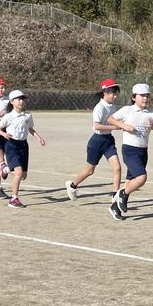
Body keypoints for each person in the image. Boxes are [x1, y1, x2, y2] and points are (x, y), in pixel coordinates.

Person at [65, 79, 123, 220]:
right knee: (89, 171)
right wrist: (116, 127)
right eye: (112, 93)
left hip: (108, 141)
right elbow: (97, 126)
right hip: (97, 141)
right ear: (105, 92)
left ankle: (115, 197)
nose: (115, 96)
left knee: (117, 168)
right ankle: (72, 185)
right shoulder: (99, 107)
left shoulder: (113, 107)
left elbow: (116, 121)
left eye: (115, 93)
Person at [107, 83, 153, 217]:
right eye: (142, 95)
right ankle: (122, 194)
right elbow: (110, 119)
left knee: (130, 182)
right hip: (130, 150)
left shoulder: (152, 113)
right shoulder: (127, 110)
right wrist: (124, 126)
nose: (145, 98)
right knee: (141, 178)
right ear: (134, 97)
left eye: (147, 96)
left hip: (143, 151)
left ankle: (115, 207)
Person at [0, 90, 46, 208]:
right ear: (12, 102)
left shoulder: (28, 115)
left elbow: (31, 129)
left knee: (23, 176)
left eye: (23, 99)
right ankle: (14, 199)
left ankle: (5, 169)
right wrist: (4, 135)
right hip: (11, 145)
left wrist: (38, 138)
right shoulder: (8, 116)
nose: (21, 101)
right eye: (18, 99)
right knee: (18, 173)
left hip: (24, 145)